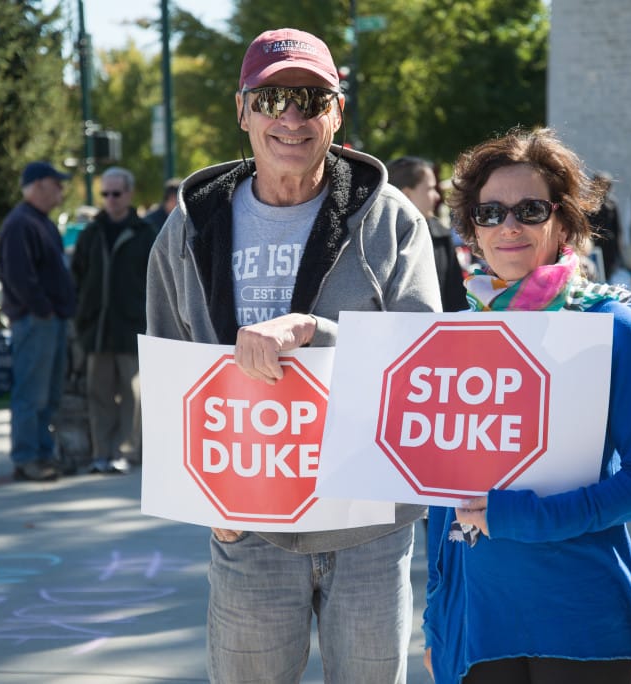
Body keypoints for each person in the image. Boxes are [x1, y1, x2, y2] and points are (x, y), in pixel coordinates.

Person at [145, 27, 441, 684]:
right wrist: (202, 504)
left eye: (311, 98)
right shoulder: (191, 225)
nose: (292, 117)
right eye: (272, 99)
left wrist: (316, 332)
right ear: (242, 109)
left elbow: (421, 361)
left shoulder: (389, 220)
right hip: (248, 526)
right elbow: (168, 363)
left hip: (366, 526)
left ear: (338, 110)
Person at [423, 127, 631, 684]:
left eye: (529, 209)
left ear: (562, 222)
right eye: (490, 213)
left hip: (579, 614)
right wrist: (437, 616)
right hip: (478, 621)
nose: (508, 226)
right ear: (472, 229)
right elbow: (445, 496)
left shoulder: (613, 328)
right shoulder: (456, 335)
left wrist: (522, 518)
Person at [71, 167, 156, 474]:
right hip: (97, 328)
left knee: (134, 395)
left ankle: (126, 452)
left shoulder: (145, 233)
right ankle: (101, 452)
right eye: (105, 194)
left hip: (132, 327)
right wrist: (82, 319)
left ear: (129, 194)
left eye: (116, 193)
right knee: (98, 393)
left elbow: (156, 281)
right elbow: (78, 277)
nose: (110, 199)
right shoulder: (91, 233)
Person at [0, 161, 77, 482]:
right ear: (40, 185)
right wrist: (43, 309)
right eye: (56, 183)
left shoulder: (37, 221)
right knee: (32, 393)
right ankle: (27, 457)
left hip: (48, 319)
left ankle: (44, 455)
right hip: (35, 320)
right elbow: (19, 277)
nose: (61, 190)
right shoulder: (21, 224)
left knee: (49, 393)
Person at [388, 156, 466, 311]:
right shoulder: (372, 238)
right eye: (430, 189)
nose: (437, 196)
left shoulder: (442, 236)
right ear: (407, 194)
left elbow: (456, 300)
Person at [588, 171, 624, 283]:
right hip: (592, 243)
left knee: (607, 274)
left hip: (608, 245)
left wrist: (619, 250)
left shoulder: (612, 204)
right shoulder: (588, 203)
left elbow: (617, 228)